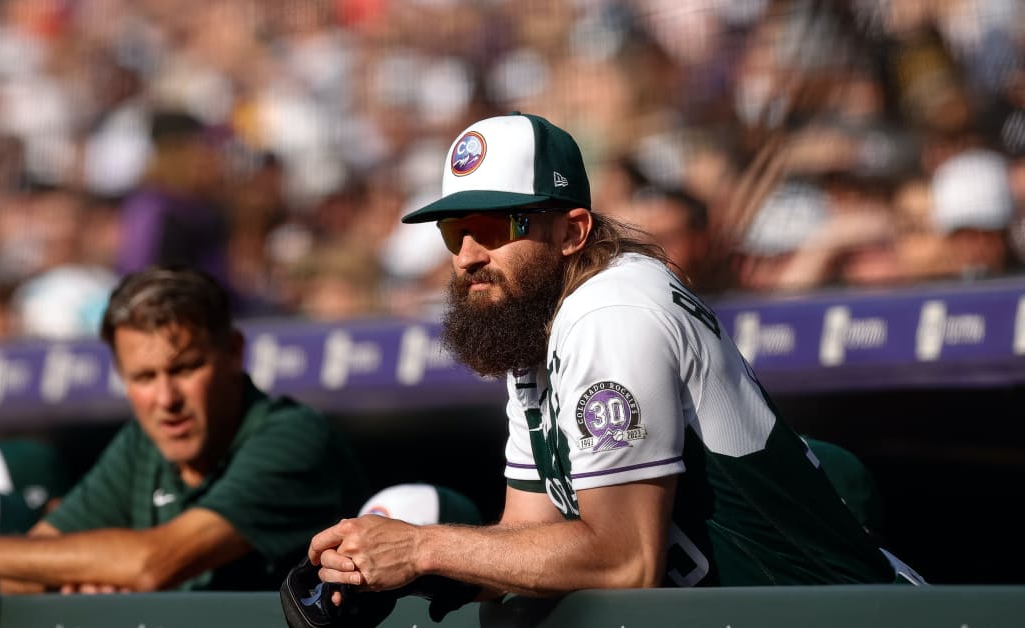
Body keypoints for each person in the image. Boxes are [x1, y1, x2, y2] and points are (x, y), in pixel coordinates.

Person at [305, 113, 908, 616]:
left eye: (493, 225)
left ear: (572, 231)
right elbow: (527, 533)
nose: (467, 255)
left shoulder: (608, 311)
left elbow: (625, 559)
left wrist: (423, 549)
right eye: (454, 231)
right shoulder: (536, 327)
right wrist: (399, 566)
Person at [0, 266, 368, 627]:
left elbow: (154, 563)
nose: (166, 400)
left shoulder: (293, 437)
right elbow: (19, 576)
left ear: (233, 352)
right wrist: (86, 571)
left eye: (185, 368)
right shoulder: (142, 443)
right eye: (144, 378)